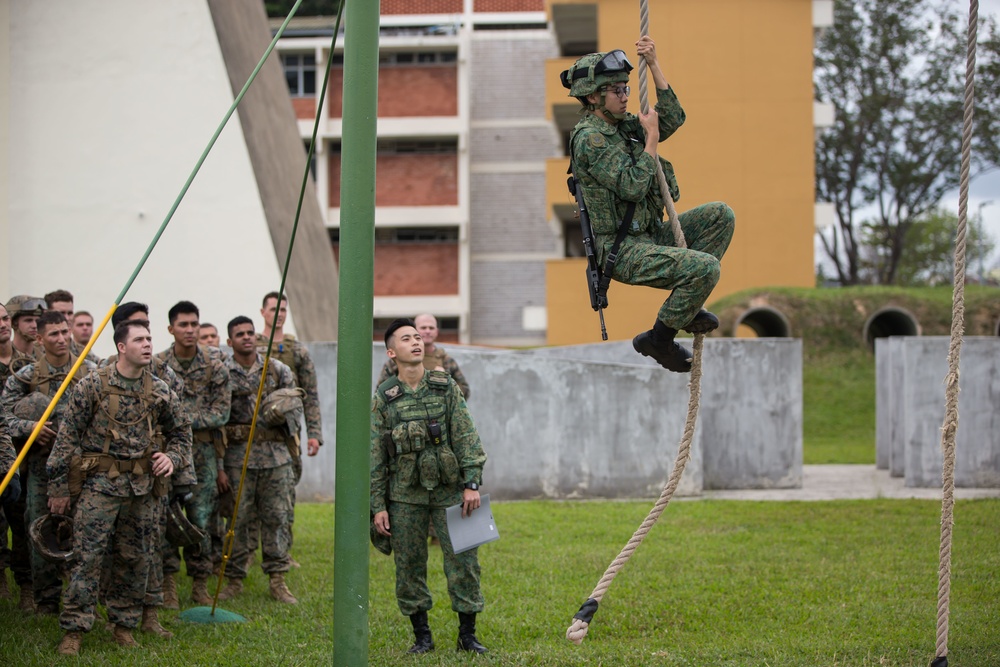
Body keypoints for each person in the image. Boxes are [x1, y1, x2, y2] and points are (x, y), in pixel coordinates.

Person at [561, 36, 735, 372]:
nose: (625, 96)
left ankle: (686, 305)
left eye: (626, 88)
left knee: (720, 215)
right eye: (617, 91)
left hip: (650, 235)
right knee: (705, 268)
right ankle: (658, 338)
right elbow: (632, 185)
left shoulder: (621, 126)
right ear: (594, 96)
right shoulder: (589, 139)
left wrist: (654, 64)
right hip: (621, 249)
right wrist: (651, 140)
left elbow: (672, 118)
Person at [47, 320, 191, 655]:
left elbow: (183, 434)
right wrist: (58, 487)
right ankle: (74, 630)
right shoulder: (92, 385)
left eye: (150, 339)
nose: (147, 344)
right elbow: (67, 437)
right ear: (121, 347)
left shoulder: (159, 390)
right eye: (139, 339)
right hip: (100, 486)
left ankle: (123, 625)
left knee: (136, 558)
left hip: (142, 488)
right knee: (87, 558)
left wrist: (172, 457)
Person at [371, 318, 489, 655]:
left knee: (465, 560)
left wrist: (472, 483)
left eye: (417, 336)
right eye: (406, 338)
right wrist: (378, 504)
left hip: (452, 489)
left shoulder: (444, 385)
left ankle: (468, 636)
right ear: (392, 352)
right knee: (408, 564)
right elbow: (376, 453)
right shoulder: (385, 397)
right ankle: (422, 636)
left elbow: (466, 435)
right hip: (405, 496)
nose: (416, 341)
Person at [2, 311, 97, 615]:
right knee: (38, 527)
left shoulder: (91, 372)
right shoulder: (25, 375)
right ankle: (45, 600)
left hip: (83, 466)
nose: (61, 338)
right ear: (39, 339)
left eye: (64, 332)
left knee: (84, 532)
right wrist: (28, 428)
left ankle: (82, 599)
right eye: (53, 334)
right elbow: (4, 417)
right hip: (41, 467)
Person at [217, 316, 298, 604]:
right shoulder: (222, 373)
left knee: (276, 518)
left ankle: (278, 580)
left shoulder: (277, 370)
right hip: (238, 460)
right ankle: (235, 578)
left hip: (276, 458)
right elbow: (216, 423)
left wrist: (283, 412)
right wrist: (219, 466)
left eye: (251, 332)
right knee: (237, 520)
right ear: (230, 342)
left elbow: (295, 407)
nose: (247, 337)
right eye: (240, 334)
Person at [155, 301, 230, 607]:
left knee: (202, 517)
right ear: (171, 328)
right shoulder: (157, 365)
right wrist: (184, 420)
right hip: (167, 452)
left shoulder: (215, 366)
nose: (189, 330)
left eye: (194, 325)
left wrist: (180, 419)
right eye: (183, 325)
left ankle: (200, 583)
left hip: (202, 453)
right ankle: (169, 583)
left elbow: (221, 413)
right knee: (166, 515)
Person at [253, 292, 323, 567]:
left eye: (283, 309)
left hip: (286, 433)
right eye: (273, 309)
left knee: (285, 492)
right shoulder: (251, 345)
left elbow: (311, 394)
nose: (279, 313)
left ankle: (283, 550)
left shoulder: (297, 350)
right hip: (253, 430)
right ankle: (246, 552)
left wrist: (315, 433)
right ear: (263, 312)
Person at [377, 314, 470, 399]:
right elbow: (381, 394)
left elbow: (464, 392)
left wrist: (445, 382)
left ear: (437, 332)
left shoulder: (446, 360)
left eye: (431, 328)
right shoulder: (397, 360)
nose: (428, 331)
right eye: (423, 328)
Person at [6, 295, 47, 359]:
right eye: (28, 320)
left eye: (37, 320)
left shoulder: (47, 355)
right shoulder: (4, 356)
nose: (34, 326)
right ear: (13, 323)